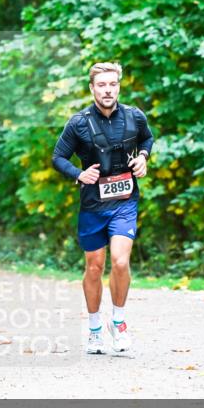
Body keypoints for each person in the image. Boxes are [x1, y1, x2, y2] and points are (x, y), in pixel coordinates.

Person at [51, 62, 154, 356]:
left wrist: (143, 156)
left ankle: (118, 323)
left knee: (120, 262)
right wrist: (78, 174)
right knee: (94, 267)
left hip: (125, 202)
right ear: (92, 88)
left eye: (112, 84)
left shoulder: (134, 116)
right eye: (101, 85)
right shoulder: (78, 123)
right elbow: (58, 157)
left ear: (118, 86)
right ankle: (95, 329)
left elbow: (147, 138)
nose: (107, 90)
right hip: (93, 205)